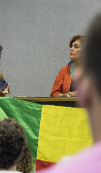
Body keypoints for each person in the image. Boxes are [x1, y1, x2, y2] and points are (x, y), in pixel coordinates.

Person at [39, 12, 101, 172]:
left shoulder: (91, 72)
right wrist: (66, 95)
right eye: (71, 46)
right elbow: (53, 94)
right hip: (66, 116)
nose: (71, 49)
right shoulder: (64, 70)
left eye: (76, 46)